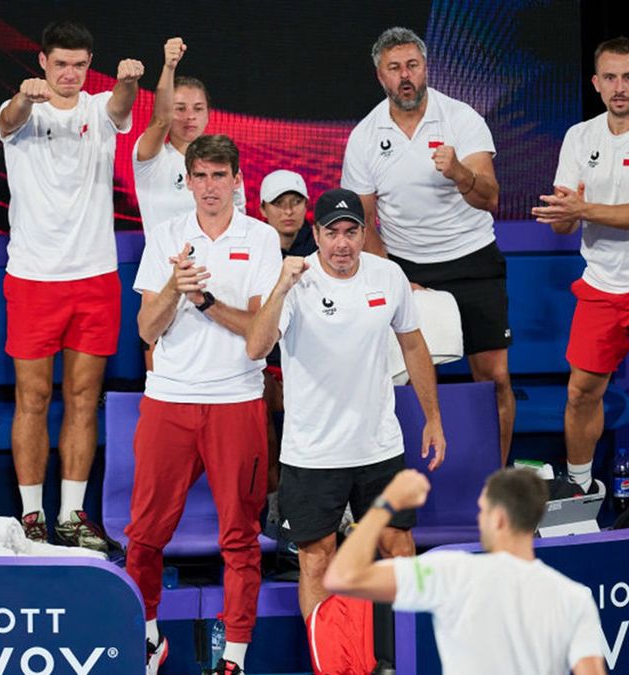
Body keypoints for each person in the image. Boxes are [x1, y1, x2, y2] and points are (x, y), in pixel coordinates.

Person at [246, 188, 445, 674]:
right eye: (331, 233)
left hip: (378, 446)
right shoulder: (295, 280)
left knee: (397, 547)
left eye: (350, 231)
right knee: (317, 561)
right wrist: (280, 288)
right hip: (313, 454)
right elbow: (255, 347)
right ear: (314, 236)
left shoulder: (388, 276)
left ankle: (399, 659)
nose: (341, 243)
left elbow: (414, 346)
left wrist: (433, 417)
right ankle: (331, 666)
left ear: (363, 234)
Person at [130, 134, 281, 675]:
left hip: (236, 400)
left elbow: (260, 339)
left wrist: (205, 301)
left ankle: (234, 657)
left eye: (221, 175)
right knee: (144, 534)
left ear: (238, 180)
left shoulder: (262, 239)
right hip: (169, 399)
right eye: (201, 175)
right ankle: (148, 637)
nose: (211, 186)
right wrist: (174, 285)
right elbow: (147, 329)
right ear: (188, 180)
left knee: (240, 537)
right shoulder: (167, 235)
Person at [0, 20, 142, 550]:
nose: (70, 74)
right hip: (34, 279)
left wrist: (126, 80)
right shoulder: (18, 111)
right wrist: (22, 96)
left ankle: (71, 515)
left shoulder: (99, 109)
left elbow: (121, 110)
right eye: (60, 64)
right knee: (32, 397)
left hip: (95, 277)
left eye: (80, 65)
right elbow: (11, 119)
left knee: (84, 397)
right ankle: (32, 516)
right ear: (42, 62)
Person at [341, 26, 513, 465]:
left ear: (426, 68)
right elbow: (361, 219)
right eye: (394, 68)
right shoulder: (364, 136)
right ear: (380, 76)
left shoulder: (462, 118)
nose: (405, 77)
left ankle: (494, 482)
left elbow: (489, 197)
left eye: (412, 66)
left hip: (471, 258)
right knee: (394, 378)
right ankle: (399, 479)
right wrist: (395, 276)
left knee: (493, 377)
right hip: (405, 267)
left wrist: (459, 172)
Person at [532, 37, 629, 482]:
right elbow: (565, 222)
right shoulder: (579, 137)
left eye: (628, 77)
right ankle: (579, 490)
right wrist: (562, 215)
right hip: (601, 286)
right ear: (596, 84)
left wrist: (583, 210)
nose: (619, 87)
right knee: (581, 391)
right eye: (610, 77)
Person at [324, 468, 607, 674]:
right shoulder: (574, 597)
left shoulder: (453, 573)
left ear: (498, 519)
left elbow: (342, 576)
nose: (478, 519)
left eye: (482, 510)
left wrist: (387, 504)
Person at [133, 36, 245, 231]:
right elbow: (161, 120)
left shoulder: (224, 162)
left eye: (198, 108)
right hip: (167, 260)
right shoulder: (151, 159)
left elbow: (239, 220)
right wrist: (169, 67)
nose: (190, 116)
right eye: (180, 108)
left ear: (209, 114)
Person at [257, 169, 317, 530]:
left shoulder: (323, 247)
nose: (288, 211)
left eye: (295, 202)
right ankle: (275, 511)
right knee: (259, 420)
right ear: (263, 208)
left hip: (310, 362)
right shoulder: (252, 247)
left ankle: (326, 509)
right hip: (264, 362)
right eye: (280, 204)